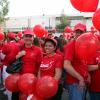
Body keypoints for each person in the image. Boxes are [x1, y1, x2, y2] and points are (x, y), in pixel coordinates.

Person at [64, 23, 98, 100]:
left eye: (81, 32)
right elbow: (66, 65)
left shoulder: (85, 45)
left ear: (85, 33)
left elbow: (83, 64)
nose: (78, 34)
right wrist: (80, 78)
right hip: (75, 83)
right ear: (74, 32)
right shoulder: (71, 45)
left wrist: (87, 74)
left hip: (82, 81)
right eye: (77, 31)